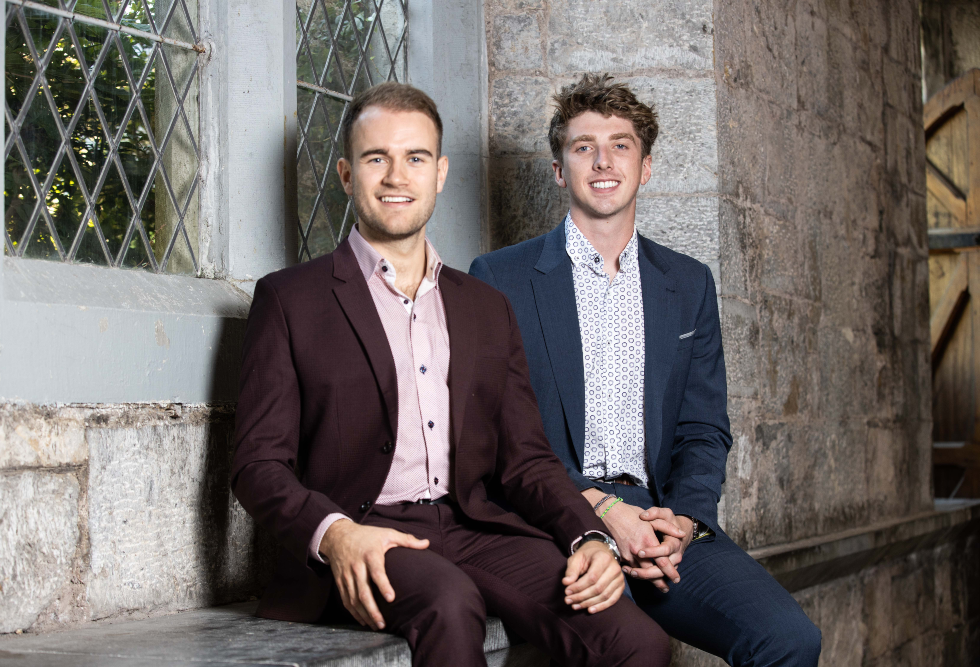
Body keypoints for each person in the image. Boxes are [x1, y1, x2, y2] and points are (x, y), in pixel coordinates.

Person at [231, 81, 671, 667]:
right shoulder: (290, 300)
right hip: (369, 533)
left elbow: (528, 461)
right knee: (449, 601)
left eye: (414, 158)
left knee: (637, 642)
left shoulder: (484, 306)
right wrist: (334, 534)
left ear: (438, 174)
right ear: (345, 175)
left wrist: (588, 535)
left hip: (474, 526)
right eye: (375, 158)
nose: (395, 176)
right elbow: (257, 465)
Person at [469, 73, 822, 666]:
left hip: (661, 518)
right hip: (556, 520)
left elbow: (703, 428)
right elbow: (496, 435)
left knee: (788, 640)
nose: (603, 161)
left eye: (621, 145)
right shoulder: (499, 279)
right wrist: (600, 511)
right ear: (560, 170)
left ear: (647, 166)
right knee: (634, 653)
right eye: (583, 147)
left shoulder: (686, 284)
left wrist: (683, 520)